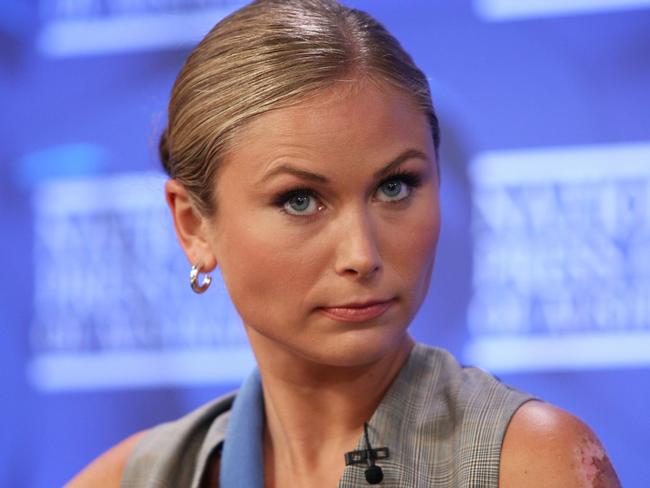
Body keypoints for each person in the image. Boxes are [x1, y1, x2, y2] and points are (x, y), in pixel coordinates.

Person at [67, 0, 621, 486]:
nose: (362, 254)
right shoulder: (136, 478)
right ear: (193, 226)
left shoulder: (527, 464)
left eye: (395, 187)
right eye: (300, 200)